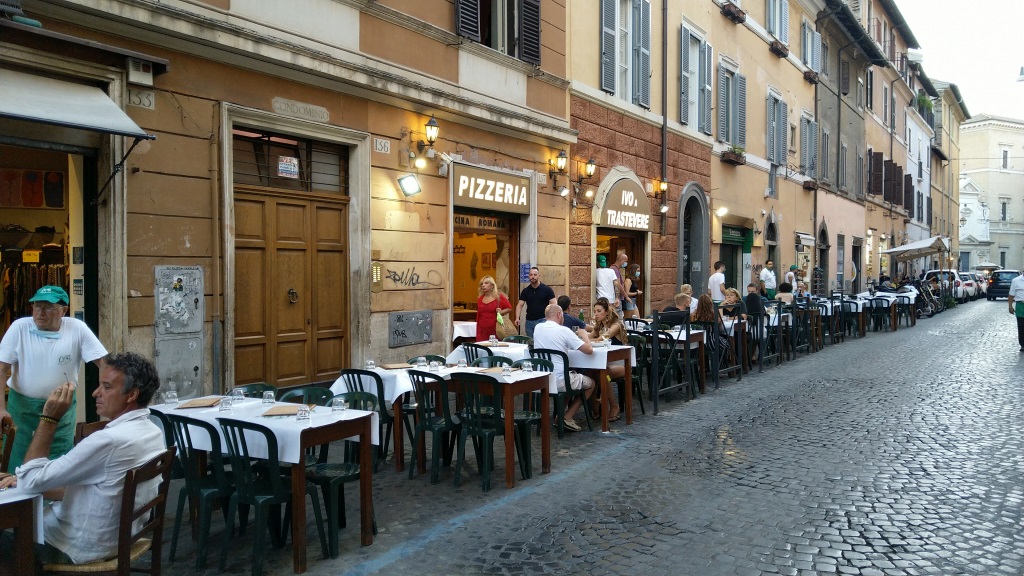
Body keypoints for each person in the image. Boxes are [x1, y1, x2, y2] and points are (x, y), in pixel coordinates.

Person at [0, 352, 165, 566]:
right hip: (119, 537)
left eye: (107, 387)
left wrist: (49, 417)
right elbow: (104, 488)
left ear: (132, 394)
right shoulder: (153, 431)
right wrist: (27, 481)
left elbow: (31, 479)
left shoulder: (109, 440)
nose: (96, 393)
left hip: (77, 547)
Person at [0, 285, 108, 471]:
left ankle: (54, 499)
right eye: (37, 306)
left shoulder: (77, 328)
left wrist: (104, 392)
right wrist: (0, 408)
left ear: (63, 311)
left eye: (48, 307)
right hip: (23, 410)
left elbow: (105, 365)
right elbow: (1, 369)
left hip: (61, 408)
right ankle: (20, 500)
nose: (40, 312)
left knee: (58, 459)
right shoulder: (19, 328)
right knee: (18, 459)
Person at [532, 304, 596, 432]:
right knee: (591, 384)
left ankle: (559, 416)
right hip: (559, 381)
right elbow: (589, 350)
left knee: (571, 378)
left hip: (542, 380)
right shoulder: (564, 330)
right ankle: (567, 417)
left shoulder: (537, 328)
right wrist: (584, 335)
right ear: (559, 314)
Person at [515, 266, 556, 339]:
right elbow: (520, 305)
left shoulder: (547, 289)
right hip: (529, 322)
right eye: (531, 275)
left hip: (542, 320)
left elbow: (554, 304)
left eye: (535, 275)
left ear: (539, 276)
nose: (532, 277)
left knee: (542, 341)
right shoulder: (525, 291)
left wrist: (551, 318)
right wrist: (517, 318)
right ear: (528, 276)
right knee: (531, 343)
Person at [475, 276, 512, 342]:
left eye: (486, 283)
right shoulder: (480, 299)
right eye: (482, 284)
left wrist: (501, 312)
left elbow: (509, 308)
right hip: (481, 330)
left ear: (492, 285)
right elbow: (479, 315)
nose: (483, 285)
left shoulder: (499, 297)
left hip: (495, 329)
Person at [1008, 270, 1024, 351]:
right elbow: (1011, 295)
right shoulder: (1016, 281)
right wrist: (1010, 306)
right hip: (1021, 305)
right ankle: (1023, 344)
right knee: (1021, 326)